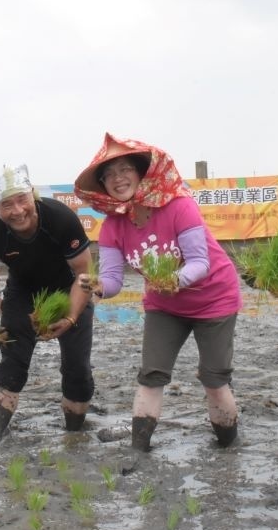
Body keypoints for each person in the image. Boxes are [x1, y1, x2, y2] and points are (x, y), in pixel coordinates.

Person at [74, 134, 242, 452]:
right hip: (164, 305)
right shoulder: (112, 226)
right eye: (108, 175)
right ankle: (139, 451)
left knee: (214, 379)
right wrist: (98, 287)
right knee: (151, 375)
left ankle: (228, 449)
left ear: (141, 172)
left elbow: (200, 262)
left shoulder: (178, 205)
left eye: (124, 169)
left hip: (214, 299)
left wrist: (173, 281)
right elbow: (112, 279)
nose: (117, 179)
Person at [0, 164, 95, 443]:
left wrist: (72, 317)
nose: (16, 211)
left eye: (21, 200)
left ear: (33, 195)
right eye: (6, 205)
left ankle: (74, 434)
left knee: (77, 367)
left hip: (68, 287)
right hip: (23, 290)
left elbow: (85, 275)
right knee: (12, 359)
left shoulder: (61, 219)